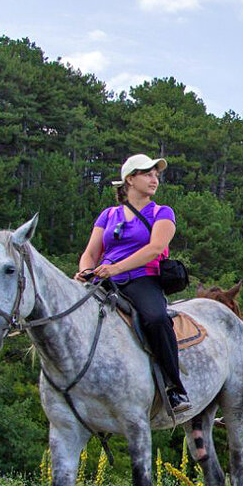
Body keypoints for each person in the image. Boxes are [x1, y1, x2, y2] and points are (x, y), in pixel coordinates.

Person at [76, 153, 190, 413]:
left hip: (142, 279)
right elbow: (91, 253)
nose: (154, 179)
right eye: (148, 174)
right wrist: (85, 271)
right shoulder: (108, 215)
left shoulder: (162, 212)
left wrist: (113, 268)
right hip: (104, 279)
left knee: (157, 318)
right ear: (130, 179)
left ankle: (175, 388)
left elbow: (155, 249)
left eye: (156, 175)